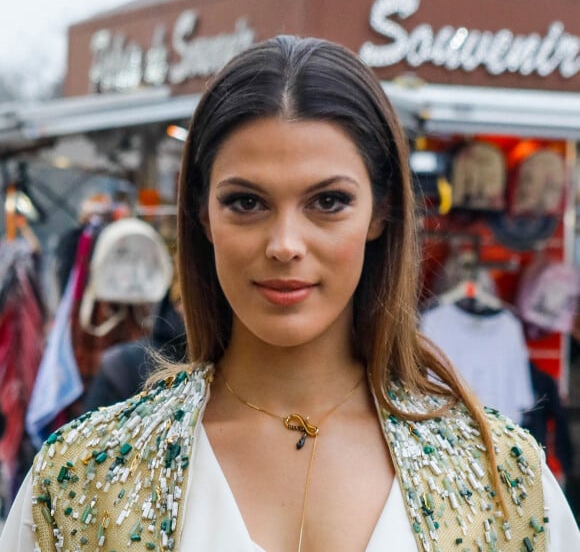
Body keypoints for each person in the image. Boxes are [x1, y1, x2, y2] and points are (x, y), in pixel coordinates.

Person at [1, 35, 578, 551]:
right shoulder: (82, 480)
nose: (284, 244)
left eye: (328, 202)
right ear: (202, 215)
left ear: (381, 214)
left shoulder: (504, 482)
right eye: (246, 202)